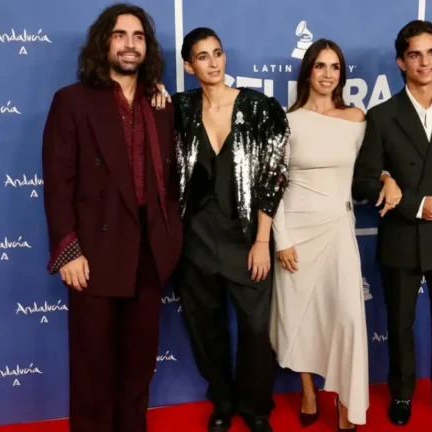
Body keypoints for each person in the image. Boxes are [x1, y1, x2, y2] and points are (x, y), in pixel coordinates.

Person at [41, 3, 182, 431]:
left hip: (148, 248)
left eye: (138, 37)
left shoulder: (160, 104)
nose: (129, 44)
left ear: (147, 47)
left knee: (139, 362)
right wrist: (68, 251)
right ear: (105, 43)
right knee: (93, 364)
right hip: (95, 252)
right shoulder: (72, 101)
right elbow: (58, 181)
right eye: (120, 35)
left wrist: (170, 240)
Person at [352, 20, 432, 430]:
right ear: (401, 62)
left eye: (431, 52)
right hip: (402, 238)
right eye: (415, 54)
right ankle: (403, 394)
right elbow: (363, 181)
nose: (424, 62)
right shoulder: (382, 115)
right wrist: (416, 203)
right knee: (399, 323)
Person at [269, 39, 402, 431]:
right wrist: (281, 238)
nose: (328, 74)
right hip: (295, 230)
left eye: (335, 67)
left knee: (345, 319)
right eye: (320, 66)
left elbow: (368, 168)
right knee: (299, 317)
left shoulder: (357, 119)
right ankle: (309, 389)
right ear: (307, 71)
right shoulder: (285, 121)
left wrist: (386, 176)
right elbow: (273, 185)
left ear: (341, 74)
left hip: (336, 228)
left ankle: (346, 404)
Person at [171, 27, 289, 432]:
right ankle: (222, 401)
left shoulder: (260, 108)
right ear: (189, 66)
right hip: (195, 240)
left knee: (257, 330)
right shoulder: (178, 109)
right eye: (202, 56)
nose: (214, 62)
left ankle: (256, 408)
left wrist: (261, 240)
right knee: (206, 328)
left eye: (218, 53)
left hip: (246, 240)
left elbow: (275, 175)